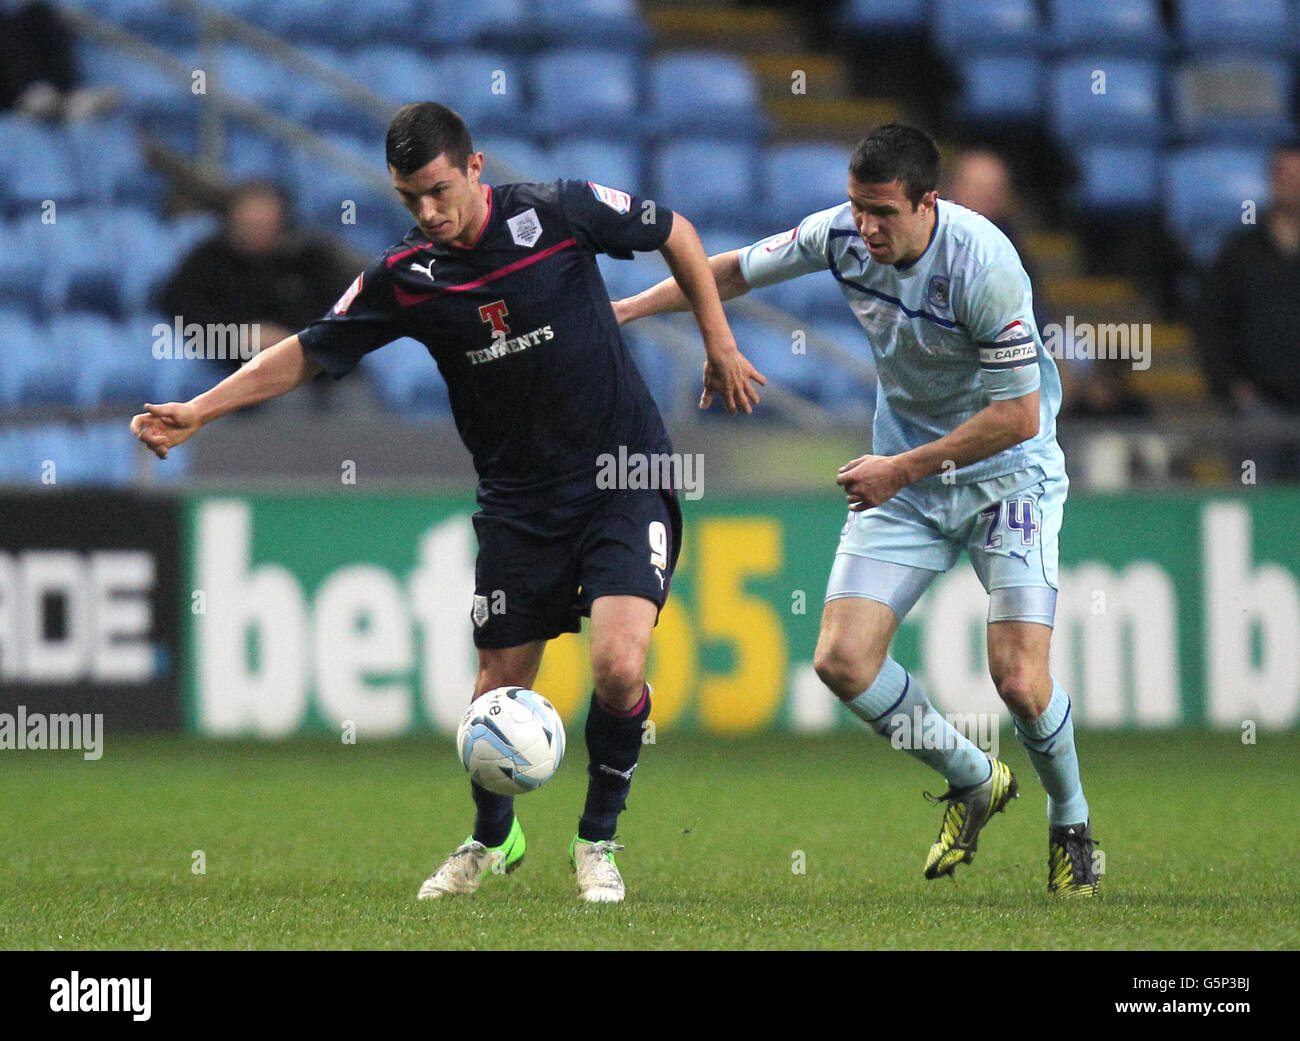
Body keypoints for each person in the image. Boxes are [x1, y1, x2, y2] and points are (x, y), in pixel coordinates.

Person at [132, 102, 764, 904]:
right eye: (409, 199)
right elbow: (308, 351)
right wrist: (200, 408)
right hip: (518, 499)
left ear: (476, 168)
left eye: (438, 190)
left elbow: (674, 231)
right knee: (496, 691)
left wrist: (720, 342)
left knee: (618, 662)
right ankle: (493, 838)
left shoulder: (559, 210)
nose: (428, 212)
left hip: (620, 472)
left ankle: (598, 839)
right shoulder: (407, 278)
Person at [614, 123, 1100, 896]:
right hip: (905, 477)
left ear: (927, 205)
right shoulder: (841, 235)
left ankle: (1071, 823)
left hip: (1008, 476)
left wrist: (898, 470)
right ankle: (975, 776)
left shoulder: (985, 266)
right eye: (856, 207)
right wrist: (631, 309)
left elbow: (1017, 416)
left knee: (1018, 680)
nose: (864, 227)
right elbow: (734, 272)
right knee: (842, 662)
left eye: (882, 212)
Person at [159, 180, 359, 402]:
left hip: (312, 365)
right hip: (234, 367)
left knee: (354, 398)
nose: (258, 230)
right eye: (250, 224)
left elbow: (341, 310)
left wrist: (296, 339)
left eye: (265, 224)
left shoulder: (309, 259)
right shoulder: (208, 262)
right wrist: (236, 336)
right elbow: (182, 308)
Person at [1195, 143, 1300, 480]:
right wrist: (1229, 385)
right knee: (1255, 506)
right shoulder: (1240, 254)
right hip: (1259, 408)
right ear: (1271, 180)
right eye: (1285, 174)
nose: (1293, 183)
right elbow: (1210, 322)